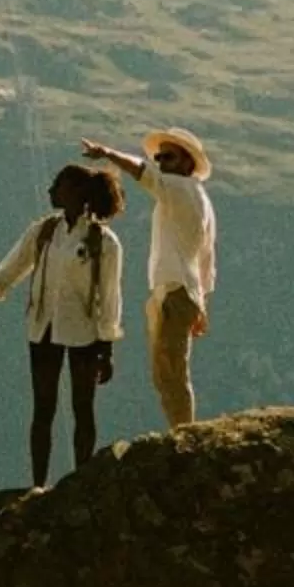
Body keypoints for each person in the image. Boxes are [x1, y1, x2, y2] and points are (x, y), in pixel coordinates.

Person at [0, 162, 125, 486]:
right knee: (43, 409)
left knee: (83, 408)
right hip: (43, 328)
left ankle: (81, 480)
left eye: (58, 185)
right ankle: (38, 485)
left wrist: (107, 349)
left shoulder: (105, 243)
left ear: (78, 193)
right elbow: (6, 274)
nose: (51, 190)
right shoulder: (42, 232)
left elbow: (110, 298)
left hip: (84, 333)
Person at [82, 126, 216, 430]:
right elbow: (207, 258)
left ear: (186, 163)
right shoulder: (200, 199)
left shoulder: (178, 190)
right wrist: (202, 300)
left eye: (168, 157)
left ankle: (184, 433)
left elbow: (143, 173)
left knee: (170, 369)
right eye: (159, 157)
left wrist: (107, 154)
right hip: (181, 290)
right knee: (168, 368)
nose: (161, 163)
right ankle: (181, 429)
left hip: (173, 289)